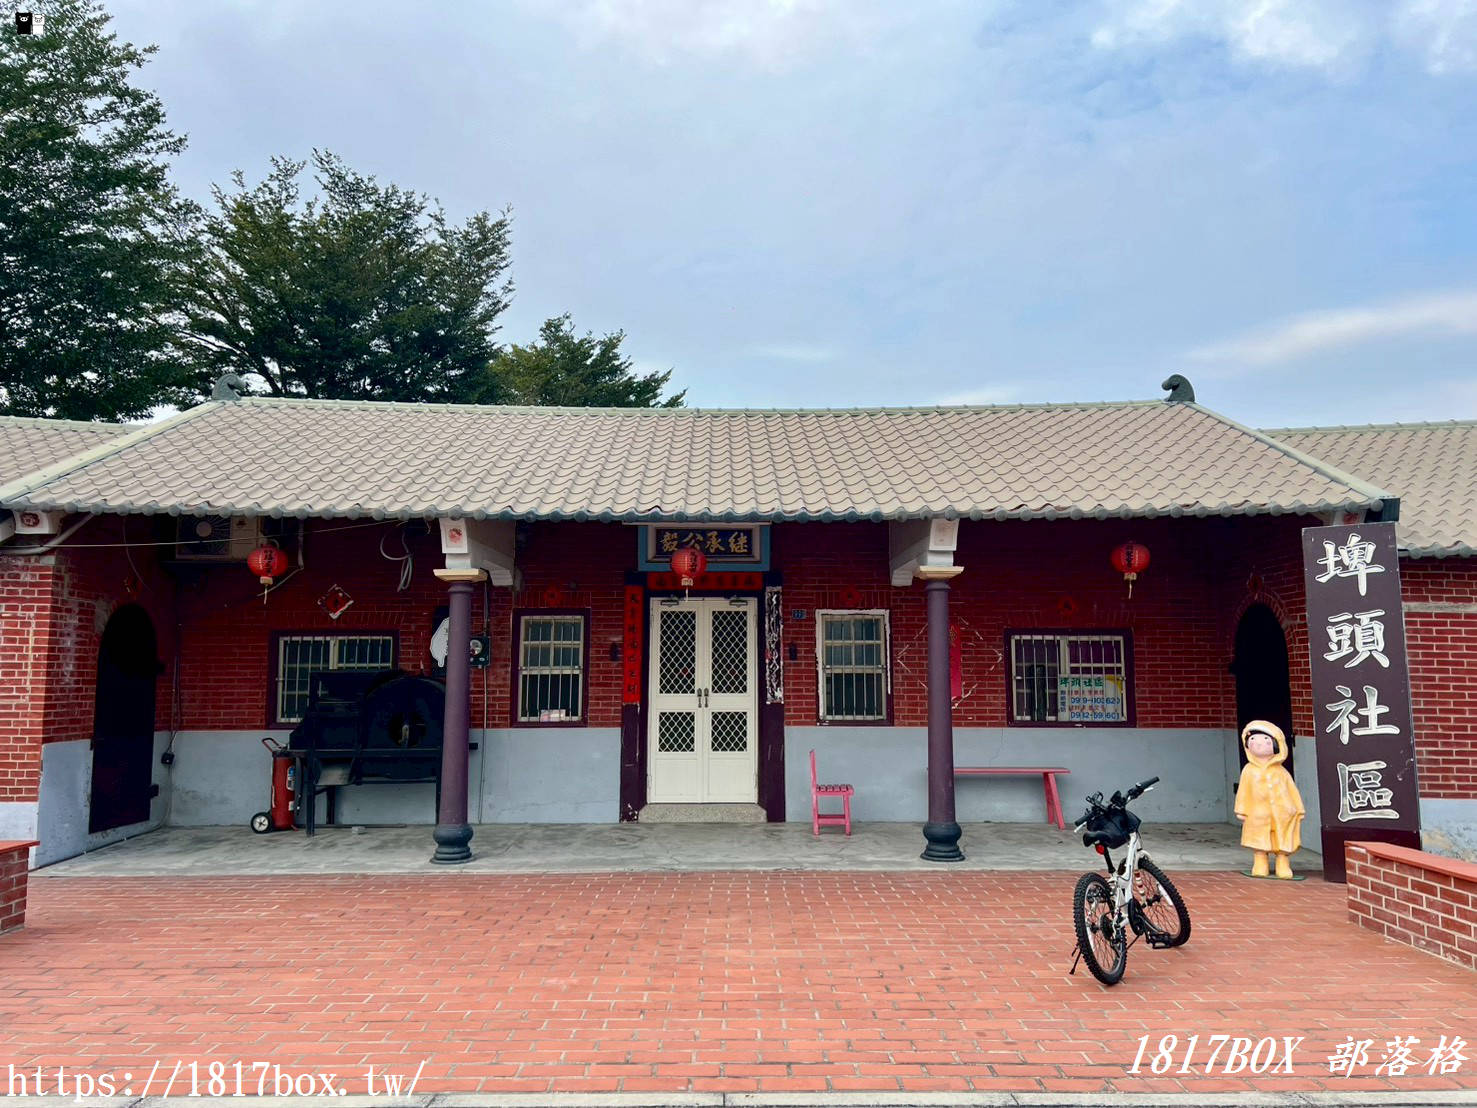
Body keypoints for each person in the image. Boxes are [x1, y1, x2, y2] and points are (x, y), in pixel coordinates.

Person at [1234, 720, 1304, 879]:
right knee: (1259, 837)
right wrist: (1241, 810)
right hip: (1258, 813)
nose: (1258, 744)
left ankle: (1283, 862)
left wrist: (1298, 809)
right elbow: (1244, 791)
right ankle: (1260, 861)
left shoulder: (1281, 772)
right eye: (1253, 740)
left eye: (1265, 740)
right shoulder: (1249, 770)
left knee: (1283, 837)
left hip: (1283, 812)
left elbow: (1291, 790)